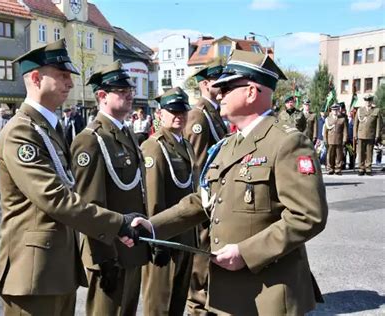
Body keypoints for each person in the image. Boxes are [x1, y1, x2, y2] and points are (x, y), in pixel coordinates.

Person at [129, 50, 328, 315]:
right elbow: (204, 200)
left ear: (251, 92)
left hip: (268, 294)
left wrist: (246, 253)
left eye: (227, 86)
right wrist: (153, 227)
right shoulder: (228, 144)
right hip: (226, 292)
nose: (218, 92)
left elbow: (308, 216)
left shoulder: (287, 142)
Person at [0, 39, 144, 316]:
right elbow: (54, 198)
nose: (70, 84)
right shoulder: (21, 132)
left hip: (56, 268)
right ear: (36, 78)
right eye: (63, 76)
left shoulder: (49, 128)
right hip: (34, 273)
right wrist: (116, 224)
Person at [71, 60, 151, 316]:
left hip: (133, 246)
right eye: (121, 91)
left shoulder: (125, 134)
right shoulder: (90, 140)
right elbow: (89, 204)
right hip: (111, 252)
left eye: (130, 90)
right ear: (102, 96)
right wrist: (105, 257)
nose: (130, 94)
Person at [140, 87, 196, 316]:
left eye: (182, 111)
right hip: (165, 239)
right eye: (172, 111)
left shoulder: (185, 144)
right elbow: (153, 198)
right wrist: (156, 240)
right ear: (160, 113)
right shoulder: (154, 146)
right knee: (159, 304)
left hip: (185, 235)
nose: (178, 116)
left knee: (178, 301)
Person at [183, 57, 228, 315]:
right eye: (218, 82)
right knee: (202, 250)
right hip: (207, 196)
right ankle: (198, 305)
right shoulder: (199, 114)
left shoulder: (214, 112)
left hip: (217, 194)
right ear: (205, 83)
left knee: (210, 248)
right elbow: (199, 163)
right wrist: (205, 198)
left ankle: (207, 298)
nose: (223, 87)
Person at [353, 94, 382, 175]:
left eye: (369, 100)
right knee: (361, 152)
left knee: (369, 152)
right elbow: (356, 124)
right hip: (361, 134)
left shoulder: (376, 110)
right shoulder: (360, 110)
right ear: (364, 101)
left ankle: (368, 168)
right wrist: (355, 134)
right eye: (366, 101)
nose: (368, 102)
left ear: (372, 101)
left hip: (371, 134)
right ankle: (361, 168)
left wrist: (377, 135)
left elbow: (379, 124)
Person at [324, 103, 348, 175]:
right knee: (330, 155)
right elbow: (325, 131)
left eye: (336, 109)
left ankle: (338, 169)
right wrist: (325, 140)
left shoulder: (342, 119)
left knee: (339, 155)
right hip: (330, 140)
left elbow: (345, 131)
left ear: (338, 110)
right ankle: (330, 168)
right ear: (331, 110)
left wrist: (344, 140)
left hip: (339, 140)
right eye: (333, 110)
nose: (335, 111)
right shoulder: (328, 119)